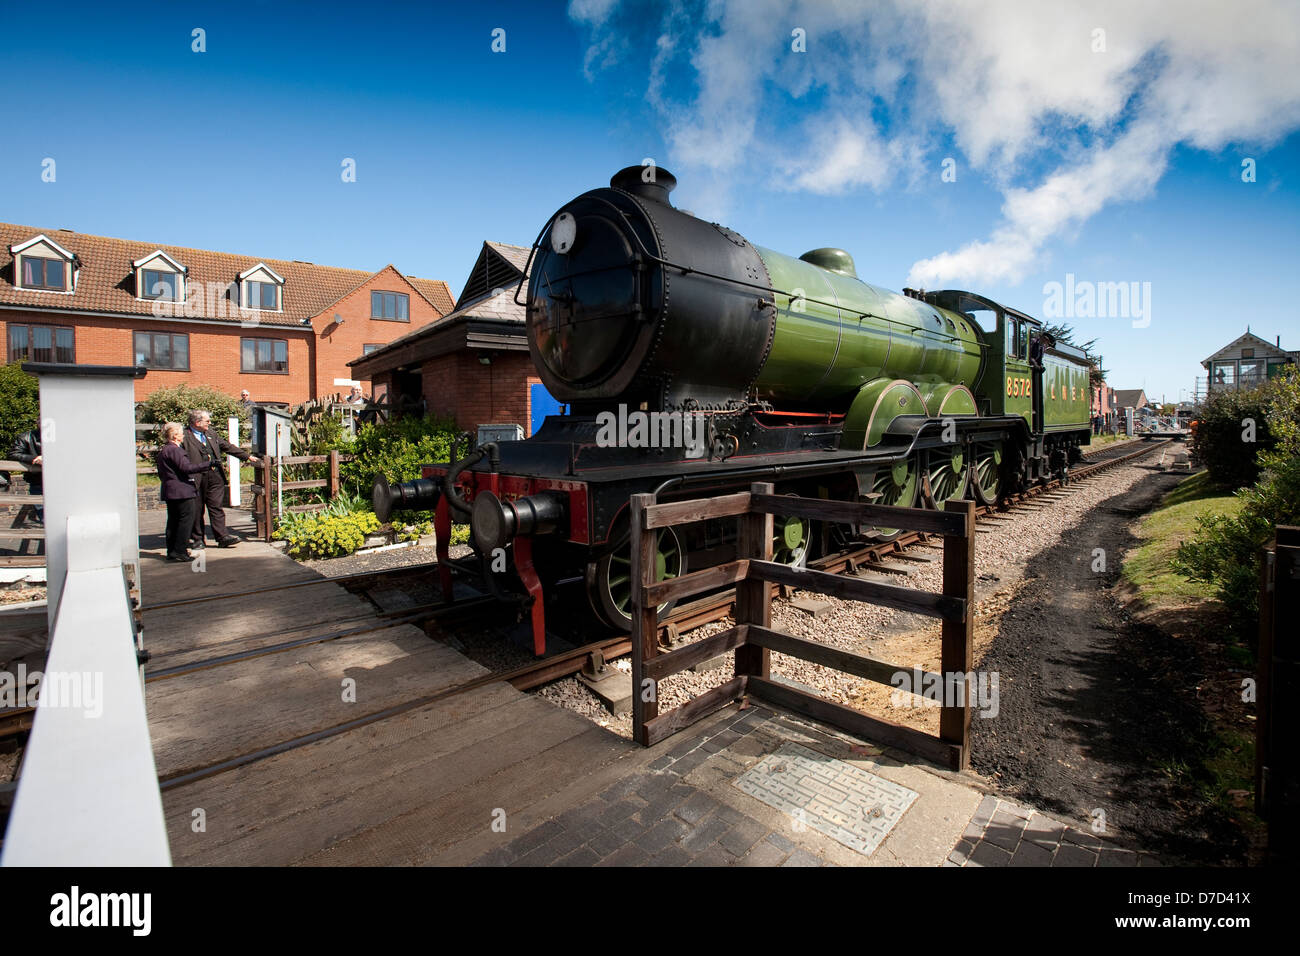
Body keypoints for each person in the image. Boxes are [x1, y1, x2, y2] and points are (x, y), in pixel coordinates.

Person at [182, 409, 258, 549]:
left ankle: (222, 536)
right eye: (207, 421)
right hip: (196, 478)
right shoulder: (184, 437)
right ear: (197, 422)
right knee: (197, 509)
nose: (210, 423)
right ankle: (198, 539)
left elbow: (227, 446)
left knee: (216, 507)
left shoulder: (210, 433)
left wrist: (246, 456)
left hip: (214, 476)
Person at [156, 422, 213, 562]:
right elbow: (186, 468)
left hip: (171, 490)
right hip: (182, 490)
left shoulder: (164, 450)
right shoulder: (176, 450)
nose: (183, 435)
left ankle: (172, 550)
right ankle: (180, 551)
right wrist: (208, 464)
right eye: (181, 433)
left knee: (173, 521)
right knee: (185, 522)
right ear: (175, 436)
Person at [9, 427, 43, 524]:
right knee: (44, 516)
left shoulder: (61, 435)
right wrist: (35, 458)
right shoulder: (25, 437)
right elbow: (14, 454)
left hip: (61, 482)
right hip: (37, 481)